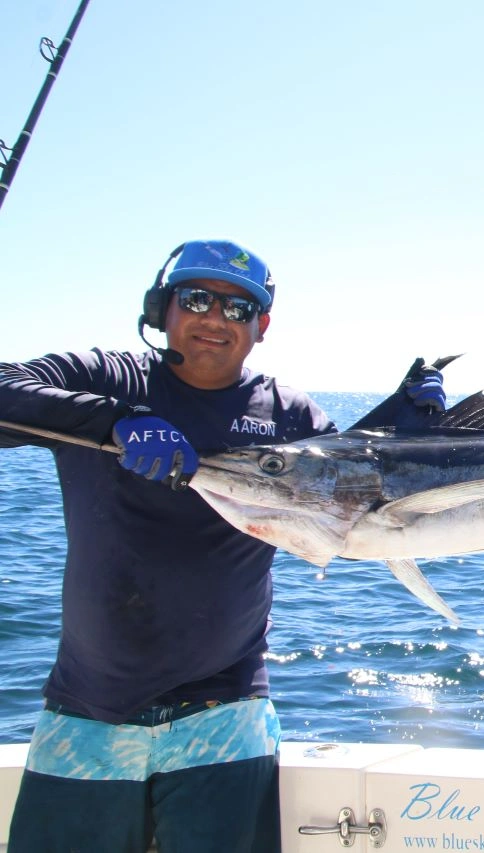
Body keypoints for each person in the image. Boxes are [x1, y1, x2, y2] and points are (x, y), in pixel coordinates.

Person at [0, 239, 446, 853]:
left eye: (239, 308)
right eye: (197, 299)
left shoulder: (288, 414)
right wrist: (114, 420)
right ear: (161, 307)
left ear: (261, 327)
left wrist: (399, 433)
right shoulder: (108, 377)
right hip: (87, 708)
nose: (215, 318)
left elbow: (350, 497)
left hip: (227, 711)